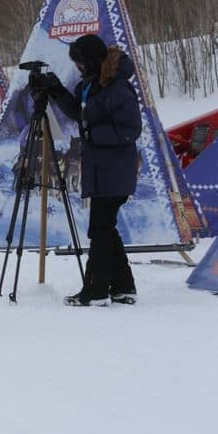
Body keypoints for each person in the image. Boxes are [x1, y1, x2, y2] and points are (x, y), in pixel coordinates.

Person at [46, 34, 140, 307]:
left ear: (92, 61)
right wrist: (57, 91)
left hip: (114, 169)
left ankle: (96, 290)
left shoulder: (117, 88)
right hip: (101, 168)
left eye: (80, 63)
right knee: (105, 228)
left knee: (99, 229)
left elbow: (130, 129)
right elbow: (80, 114)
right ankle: (123, 286)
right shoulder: (91, 85)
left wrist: (94, 134)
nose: (78, 68)